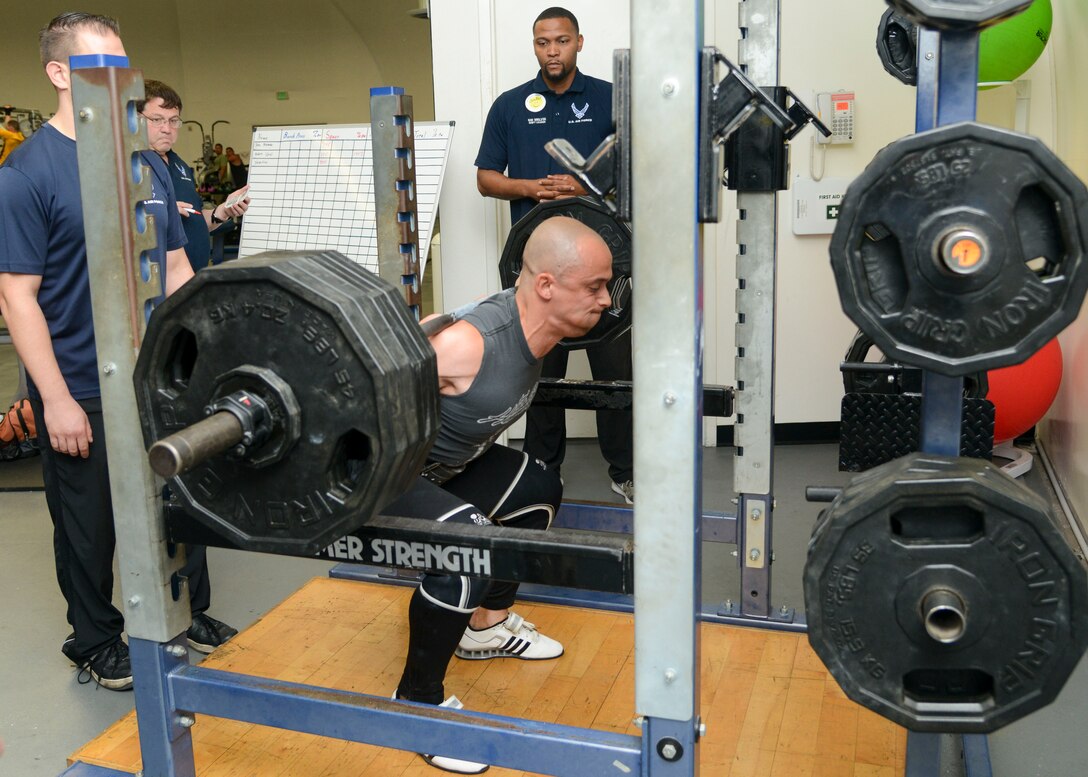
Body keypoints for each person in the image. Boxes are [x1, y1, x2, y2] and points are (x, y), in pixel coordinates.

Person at [0, 12, 236, 692]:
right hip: (79, 380)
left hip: (157, 374)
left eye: (122, 62)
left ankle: (189, 614)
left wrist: (204, 359)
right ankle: (95, 638)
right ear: (59, 74)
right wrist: (56, 400)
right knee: (89, 520)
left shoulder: (142, 163)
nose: (121, 79)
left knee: (180, 498)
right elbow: (18, 298)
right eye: (103, 64)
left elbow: (176, 269)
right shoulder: (26, 174)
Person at [392, 216, 613, 774]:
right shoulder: (466, 345)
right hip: (378, 481)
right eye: (594, 287)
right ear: (545, 286)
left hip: (443, 469)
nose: (608, 301)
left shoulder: (539, 326)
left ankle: (485, 628)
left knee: (538, 487)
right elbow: (367, 388)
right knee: (467, 543)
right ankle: (415, 705)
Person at [475, 6, 634, 503]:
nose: (552, 50)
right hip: (537, 266)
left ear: (579, 43)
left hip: (602, 266)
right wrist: (531, 187)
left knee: (614, 370)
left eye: (561, 41)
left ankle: (625, 470)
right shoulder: (510, 105)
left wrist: (586, 186)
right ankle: (544, 469)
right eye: (543, 42)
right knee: (539, 368)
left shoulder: (611, 98)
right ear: (535, 45)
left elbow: (638, 172)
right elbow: (485, 178)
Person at [139, 80, 249, 272]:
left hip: (194, 278)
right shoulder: (128, 166)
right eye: (157, 119)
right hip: (159, 284)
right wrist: (158, 212)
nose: (167, 128)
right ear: (135, 119)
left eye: (174, 121)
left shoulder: (179, 164)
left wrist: (222, 212)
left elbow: (194, 219)